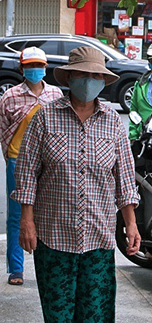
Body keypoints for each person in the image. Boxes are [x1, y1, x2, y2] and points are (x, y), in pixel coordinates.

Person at [11, 46, 141, 322]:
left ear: (103, 81)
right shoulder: (45, 117)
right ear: (69, 78)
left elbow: (126, 177)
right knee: (58, 315)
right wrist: (26, 220)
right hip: (53, 236)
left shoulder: (113, 123)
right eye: (82, 74)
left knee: (96, 314)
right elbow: (26, 172)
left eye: (94, 76)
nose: (88, 81)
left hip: (99, 236)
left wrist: (130, 223)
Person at [0, 47, 63, 286]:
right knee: (17, 216)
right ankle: (16, 269)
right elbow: (3, 128)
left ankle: (50, 266)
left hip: (48, 162)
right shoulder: (10, 96)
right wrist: (10, 156)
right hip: (17, 160)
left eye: (39, 65)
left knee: (51, 213)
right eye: (29, 66)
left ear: (46, 68)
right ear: (21, 69)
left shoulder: (55, 94)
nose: (34, 70)